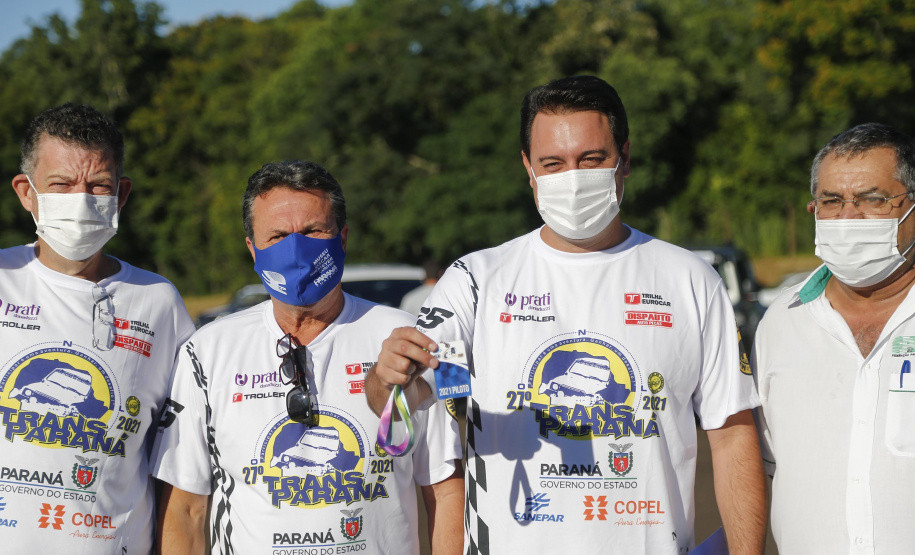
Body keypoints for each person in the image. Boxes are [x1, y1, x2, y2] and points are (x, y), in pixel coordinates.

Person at [366, 75, 766, 554]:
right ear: (528, 168)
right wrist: (390, 379)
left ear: (624, 158)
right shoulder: (475, 280)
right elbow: (407, 399)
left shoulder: (690, 279)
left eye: (591, 159)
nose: (572, 179)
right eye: (552, 164)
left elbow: (732, 435)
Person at [151, 160, 464, 555]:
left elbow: (446, 489)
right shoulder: (207, 352)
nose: (296, 249)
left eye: (314, 231)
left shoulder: (406, 338)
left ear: (343, 238)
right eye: (278, 236)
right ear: (252, 248)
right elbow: (185, 509)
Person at [0, 103, 195, 553]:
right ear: (26, 192)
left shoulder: (158, 302)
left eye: (98, 185)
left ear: (121, 194)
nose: (81, 199)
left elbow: (182, 469)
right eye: (61, 184)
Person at [753, 123, 915, 554]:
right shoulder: (781, 324)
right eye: (831, 201)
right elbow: (765, 469)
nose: (848, 218)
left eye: (872, 200)